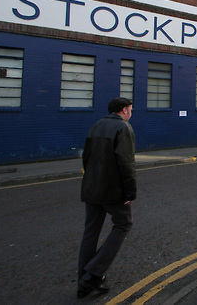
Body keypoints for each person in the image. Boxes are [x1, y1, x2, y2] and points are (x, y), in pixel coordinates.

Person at [77, 97, 137, 299]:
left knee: (90, 233)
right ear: (123, 110)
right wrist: (130, 192)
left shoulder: (96, 125)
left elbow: (86, 157)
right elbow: (126, 163)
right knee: (123, 224)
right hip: (112, 190)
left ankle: (83, 282)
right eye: (130, 109)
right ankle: (93, 274)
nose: (131, 113)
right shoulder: (123, 128)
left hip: (91, 188)